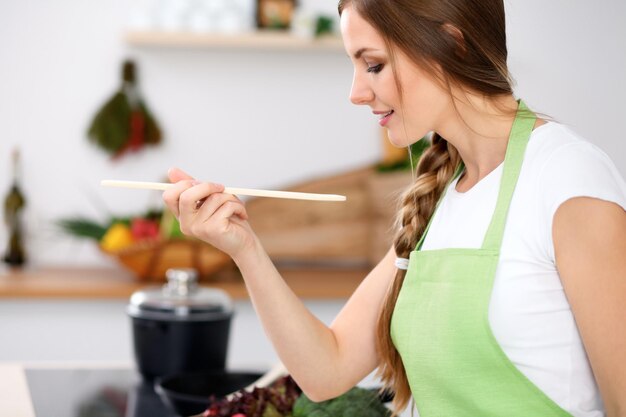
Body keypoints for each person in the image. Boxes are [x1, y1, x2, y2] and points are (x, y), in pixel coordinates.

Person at [163, 0, 626, 416]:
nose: (356, 92)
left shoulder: (566, 178)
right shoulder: (443, 192)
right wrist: (244, 248)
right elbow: (327, 370)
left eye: (374, 65)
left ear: (451, 44)